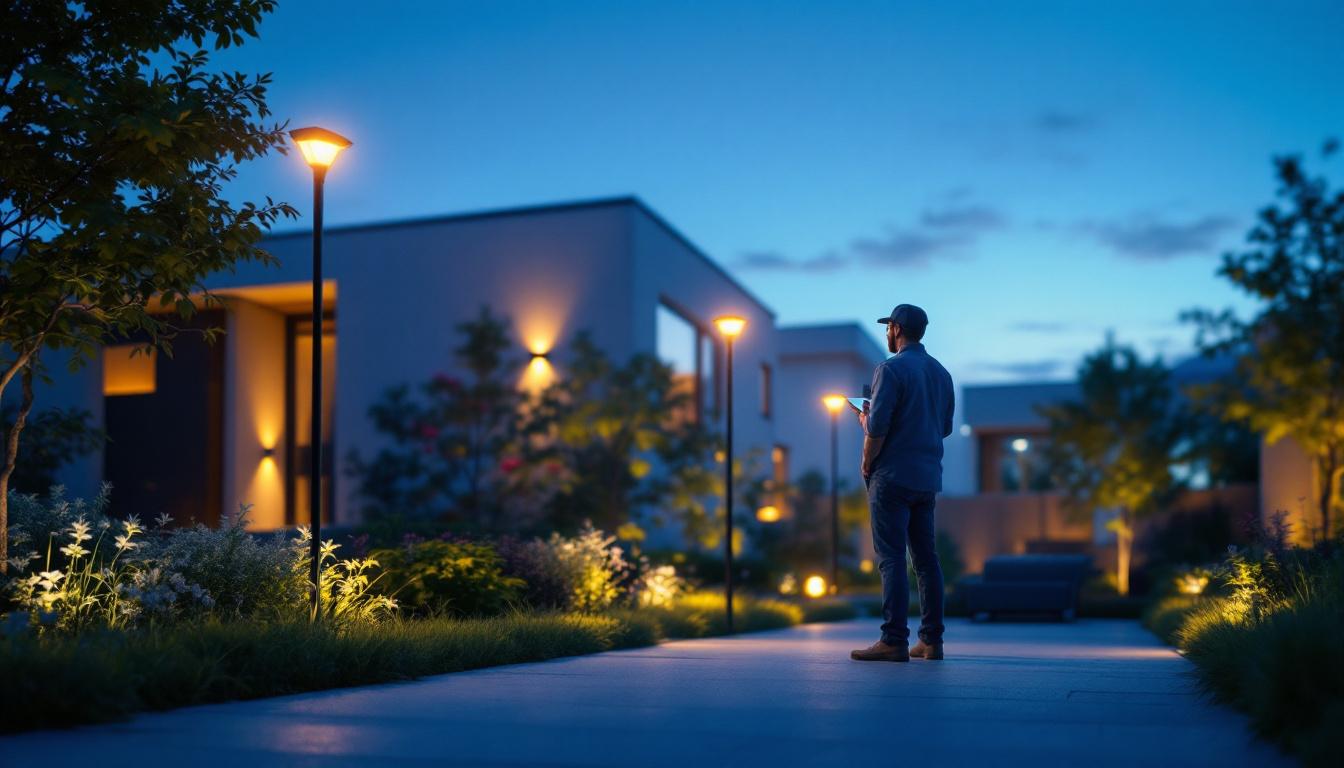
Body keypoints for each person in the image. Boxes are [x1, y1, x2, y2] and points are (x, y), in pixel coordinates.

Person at [850, 304, 955, 663]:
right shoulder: (942, 374)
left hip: (891, 477)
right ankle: (931, 641)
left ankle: (893, 640)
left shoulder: (889, 369)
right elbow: (944, 428)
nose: (887, 334)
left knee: (891, 558)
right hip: (927, 478)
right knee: (926, 560)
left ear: (895, 329)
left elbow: (877, 428)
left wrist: (866, 455)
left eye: (888, 328)